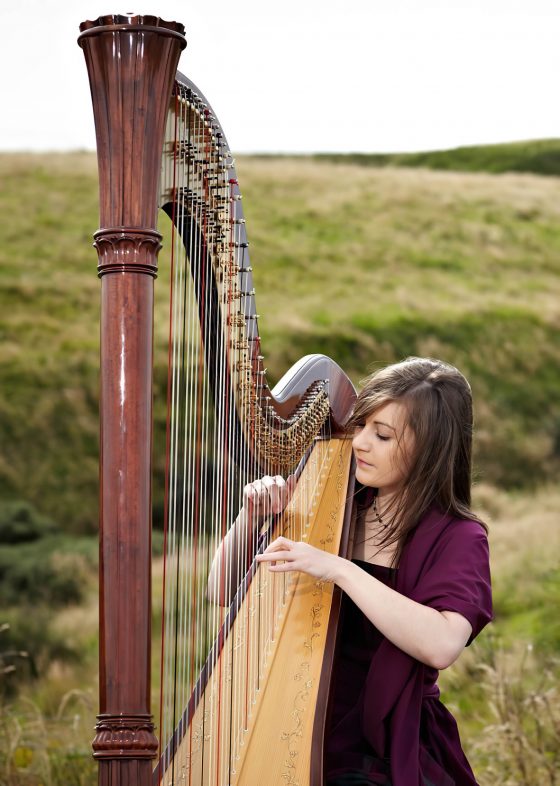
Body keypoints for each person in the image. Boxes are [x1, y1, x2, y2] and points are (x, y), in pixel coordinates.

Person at [208, 356, 493, 786]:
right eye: (359, 427)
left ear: (431, 449)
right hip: (287, 712)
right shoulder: (331, 505)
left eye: (381, 435)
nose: (359, 443)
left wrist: (339, 569)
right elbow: (219, 588)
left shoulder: (459, 537)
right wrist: (251, 518)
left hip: (379, 742)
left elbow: (441, 644)